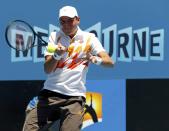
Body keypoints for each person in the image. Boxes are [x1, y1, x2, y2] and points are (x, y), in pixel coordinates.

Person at [22, 5, 114, 131]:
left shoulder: (89, 38)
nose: (66, 25)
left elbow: (109, 62)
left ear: (78, 20)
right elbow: (47, 69)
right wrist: (56, 55)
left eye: (70, 21)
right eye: (62, 22)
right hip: (50, 95)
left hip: (74, 98)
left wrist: (95, 59)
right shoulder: (55, 37)